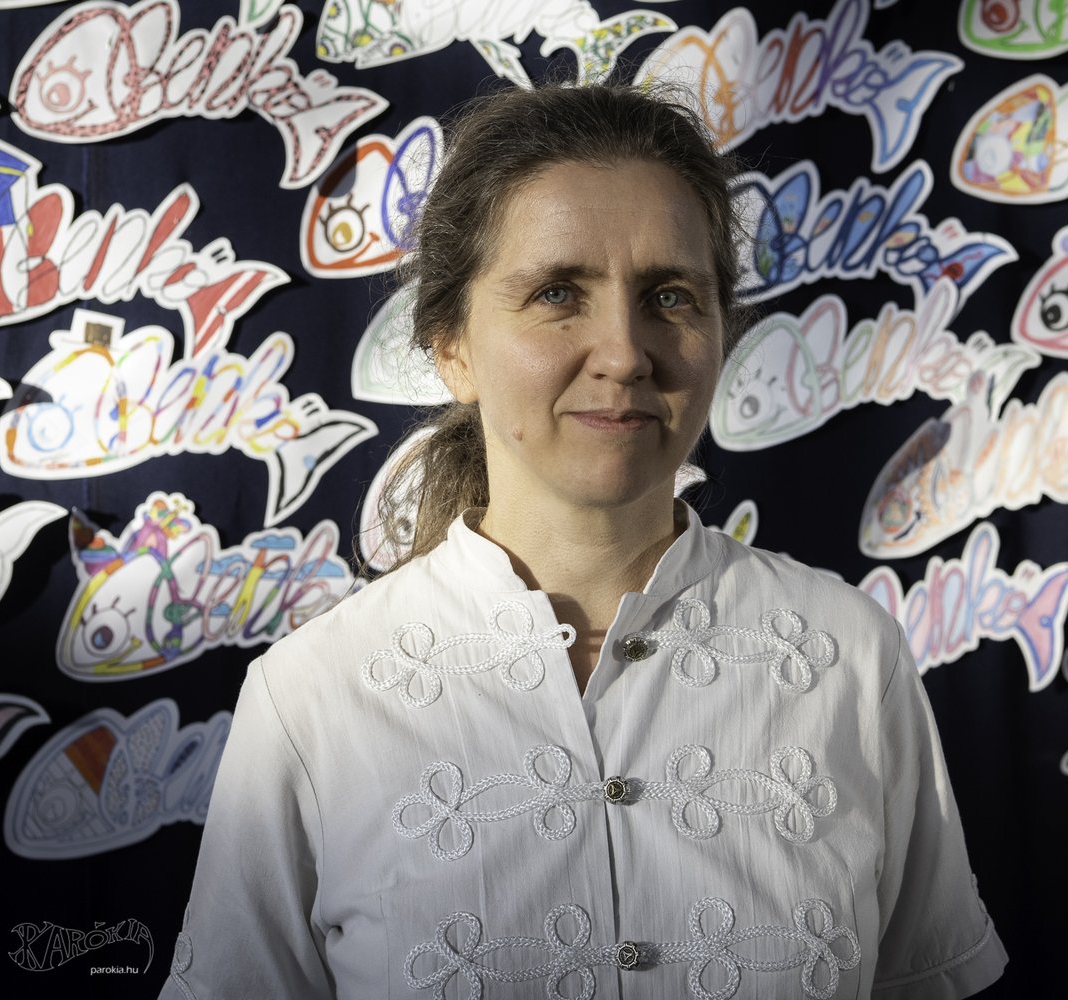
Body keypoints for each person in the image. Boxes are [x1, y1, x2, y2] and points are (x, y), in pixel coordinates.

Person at [160, 84, 1006, 1000]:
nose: (624, 353)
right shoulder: (312, 694)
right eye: (558, 293)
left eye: (669, 296)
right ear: (451, 346)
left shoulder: (850, 657)